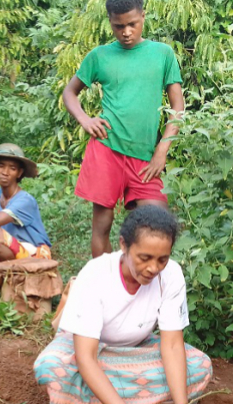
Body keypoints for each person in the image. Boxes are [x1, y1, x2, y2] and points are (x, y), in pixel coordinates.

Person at [33, 205, 215, 404]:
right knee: (52, 368)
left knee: (200, 366)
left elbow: (173, 345)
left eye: (162, 259)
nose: (153, 268)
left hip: (135, 350)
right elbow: (85, 358)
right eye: (144, 258)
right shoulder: (95, 274)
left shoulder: (171, 274)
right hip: (90, 350)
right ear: (123, 245)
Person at [62, 0, 185, 258]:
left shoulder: (162, 54)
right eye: (119, 26)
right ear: (110, 21)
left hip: (144, 156)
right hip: (106, 149)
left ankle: (139, 276)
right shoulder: (99, 56)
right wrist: (85, 120)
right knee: (102, 226)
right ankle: (106, 280)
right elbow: (70, 92)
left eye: (132, 24)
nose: (126, 32)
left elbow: (178, 106)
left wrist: (162, 149)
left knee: (159, 223)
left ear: (143, 16)